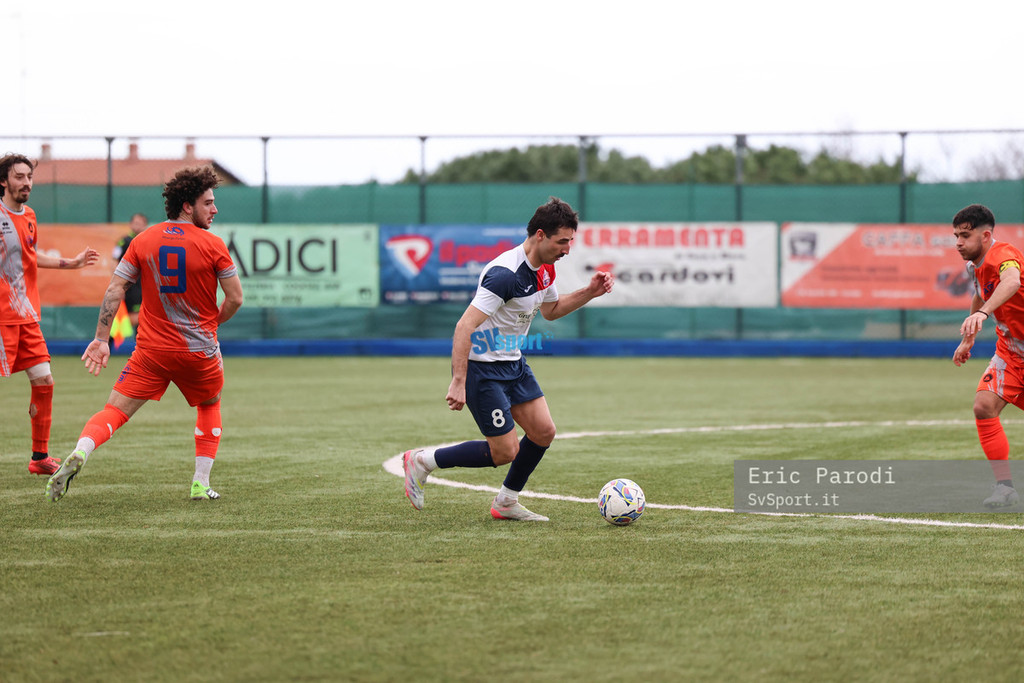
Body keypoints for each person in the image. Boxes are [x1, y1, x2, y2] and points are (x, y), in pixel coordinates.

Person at [402, 197, 614, 521]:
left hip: (513, 364)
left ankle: (506, 502)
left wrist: (589, 292)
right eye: (562, 241)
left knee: (543, 431)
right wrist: (458, 381)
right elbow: (464, 326)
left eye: (570, 241)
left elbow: (551, 310)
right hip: (483, 370)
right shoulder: (504, 274)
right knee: (504, 452)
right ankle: (423, 461)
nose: (567, 249)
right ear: (540, 235)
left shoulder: (545, 269)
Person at [45, 166, 244, 502]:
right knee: (210, 403)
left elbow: (115, 288)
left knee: (114, 410)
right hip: (199, 352)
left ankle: (82, 450)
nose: (215, 209)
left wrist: (101, 339)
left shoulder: (143, 240)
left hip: (151, 352)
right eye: (208, 203)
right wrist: (212, 324)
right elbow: (236, 298)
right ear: (187, 206)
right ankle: (200, 483)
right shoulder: (213, 245)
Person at [0, 153, 100, 475]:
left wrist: (72, 263)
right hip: (2, 318)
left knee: (44, 381)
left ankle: (39, 457)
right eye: (19, 177)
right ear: (3, 181)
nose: (26, 182)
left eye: (29, 176)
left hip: (27, 317)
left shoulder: (30, 215)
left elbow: (30, 256)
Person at [952, 203, 1023, 507]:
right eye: (956, 236)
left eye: (965, 236)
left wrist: (982, 314)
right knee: (983, 406)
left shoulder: (1003, 255)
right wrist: (968, 339)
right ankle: (1005, 488)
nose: (958, 242)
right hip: (1011, 352)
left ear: (985, 236)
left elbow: (1012, 281)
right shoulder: (976, 265)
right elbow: (981, 292)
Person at [112, 212, 149, 331]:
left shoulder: (147, 241)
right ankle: (109, 340)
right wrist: (117, 285)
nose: (137, 226)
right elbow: (114, 262)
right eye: (135, 223)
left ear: (145, 225)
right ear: (130, 224)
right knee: (128, 317)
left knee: (141, 319)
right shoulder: (124, 242)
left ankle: (138, 342)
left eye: (140, 223)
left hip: (143, 286)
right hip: (128, 286)